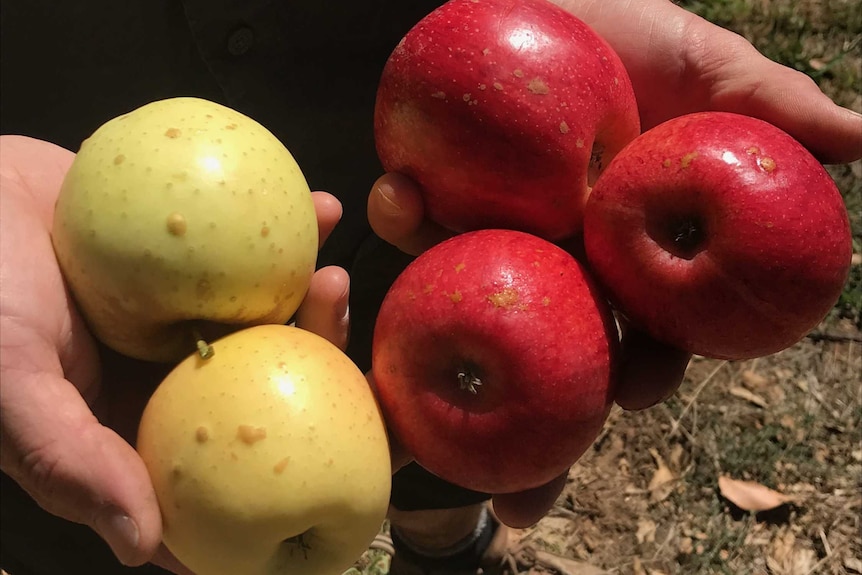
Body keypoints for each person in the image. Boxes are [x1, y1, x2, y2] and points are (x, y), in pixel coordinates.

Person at [1, 0, 859, 574]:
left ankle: (443, 540)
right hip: (70, 128)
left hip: (432, 108)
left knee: (444, 392)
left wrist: (533, 26)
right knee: (439, 366)